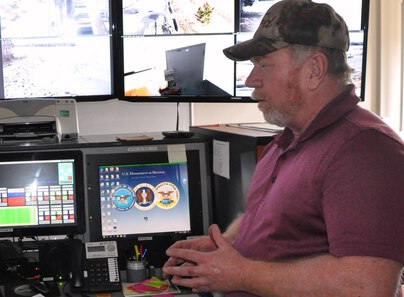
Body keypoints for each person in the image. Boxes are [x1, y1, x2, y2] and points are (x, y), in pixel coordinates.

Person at [162, 0, 404, 296]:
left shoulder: (365, 151)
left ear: (314, 69)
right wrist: (225, 246)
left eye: (264, 64)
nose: (251, 81)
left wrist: (240, 274)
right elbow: (275, 222)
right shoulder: (288, 139)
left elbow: (367, 286)